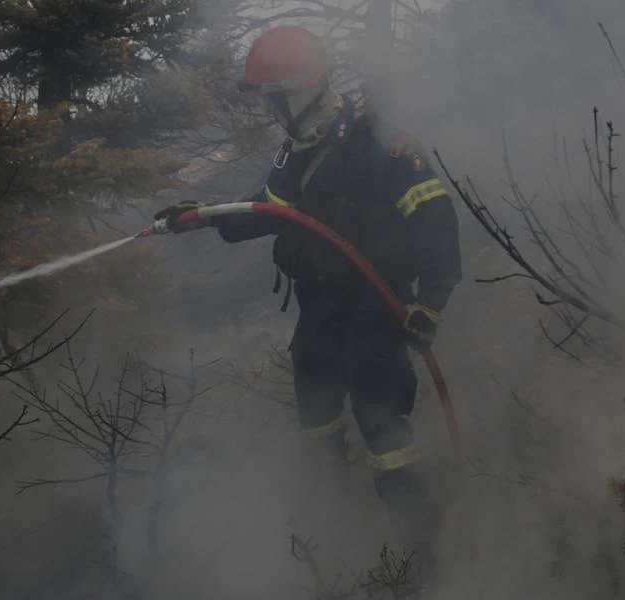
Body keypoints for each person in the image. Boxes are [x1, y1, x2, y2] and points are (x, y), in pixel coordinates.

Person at [153, 25, 462, 577]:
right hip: (322, 305)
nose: (273, 112)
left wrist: (429, 306)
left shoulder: (386, 146)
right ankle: (334, 521)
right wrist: (202, 217)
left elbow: (438, 230)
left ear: (305, 91)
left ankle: (423, 551)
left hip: (378, 303)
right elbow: (270, 210)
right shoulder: (296, 151)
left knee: (380, 418)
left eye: (277, 100)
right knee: (315, 411)